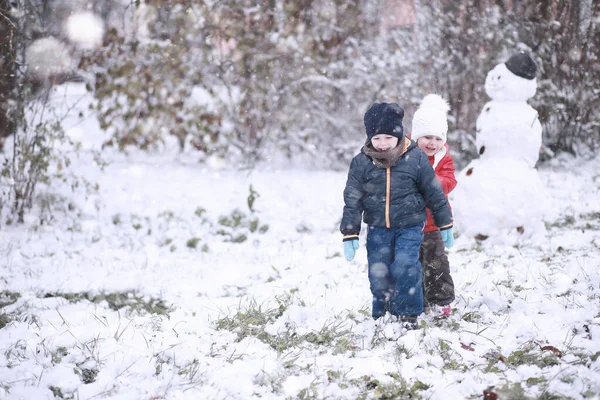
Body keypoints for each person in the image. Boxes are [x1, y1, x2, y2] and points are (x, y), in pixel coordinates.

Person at [340, 102, 454, 330]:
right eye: (377, 138)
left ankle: (409, 314)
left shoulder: (415, 158)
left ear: (399, 135)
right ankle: (383, 311)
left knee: (405, 265)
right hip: (377, 227)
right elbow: (352, 200)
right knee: (378, 270)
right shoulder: (361, 163)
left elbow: (433, 191)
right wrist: (350, 233)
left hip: (410, 225)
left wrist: (445, 222)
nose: (383, 144)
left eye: (388, 138)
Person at [410, 94, 457, 317]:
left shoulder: (443, 159)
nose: (432, 143)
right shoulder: (405, 156)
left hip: (433, 224)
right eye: (427, 137)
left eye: (438, 139)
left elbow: (450, 179)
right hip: (407, 224)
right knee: (411, 265)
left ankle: (441, 300)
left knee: (437, 262)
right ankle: (416, 300)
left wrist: (433, 183)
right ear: (416, 136)